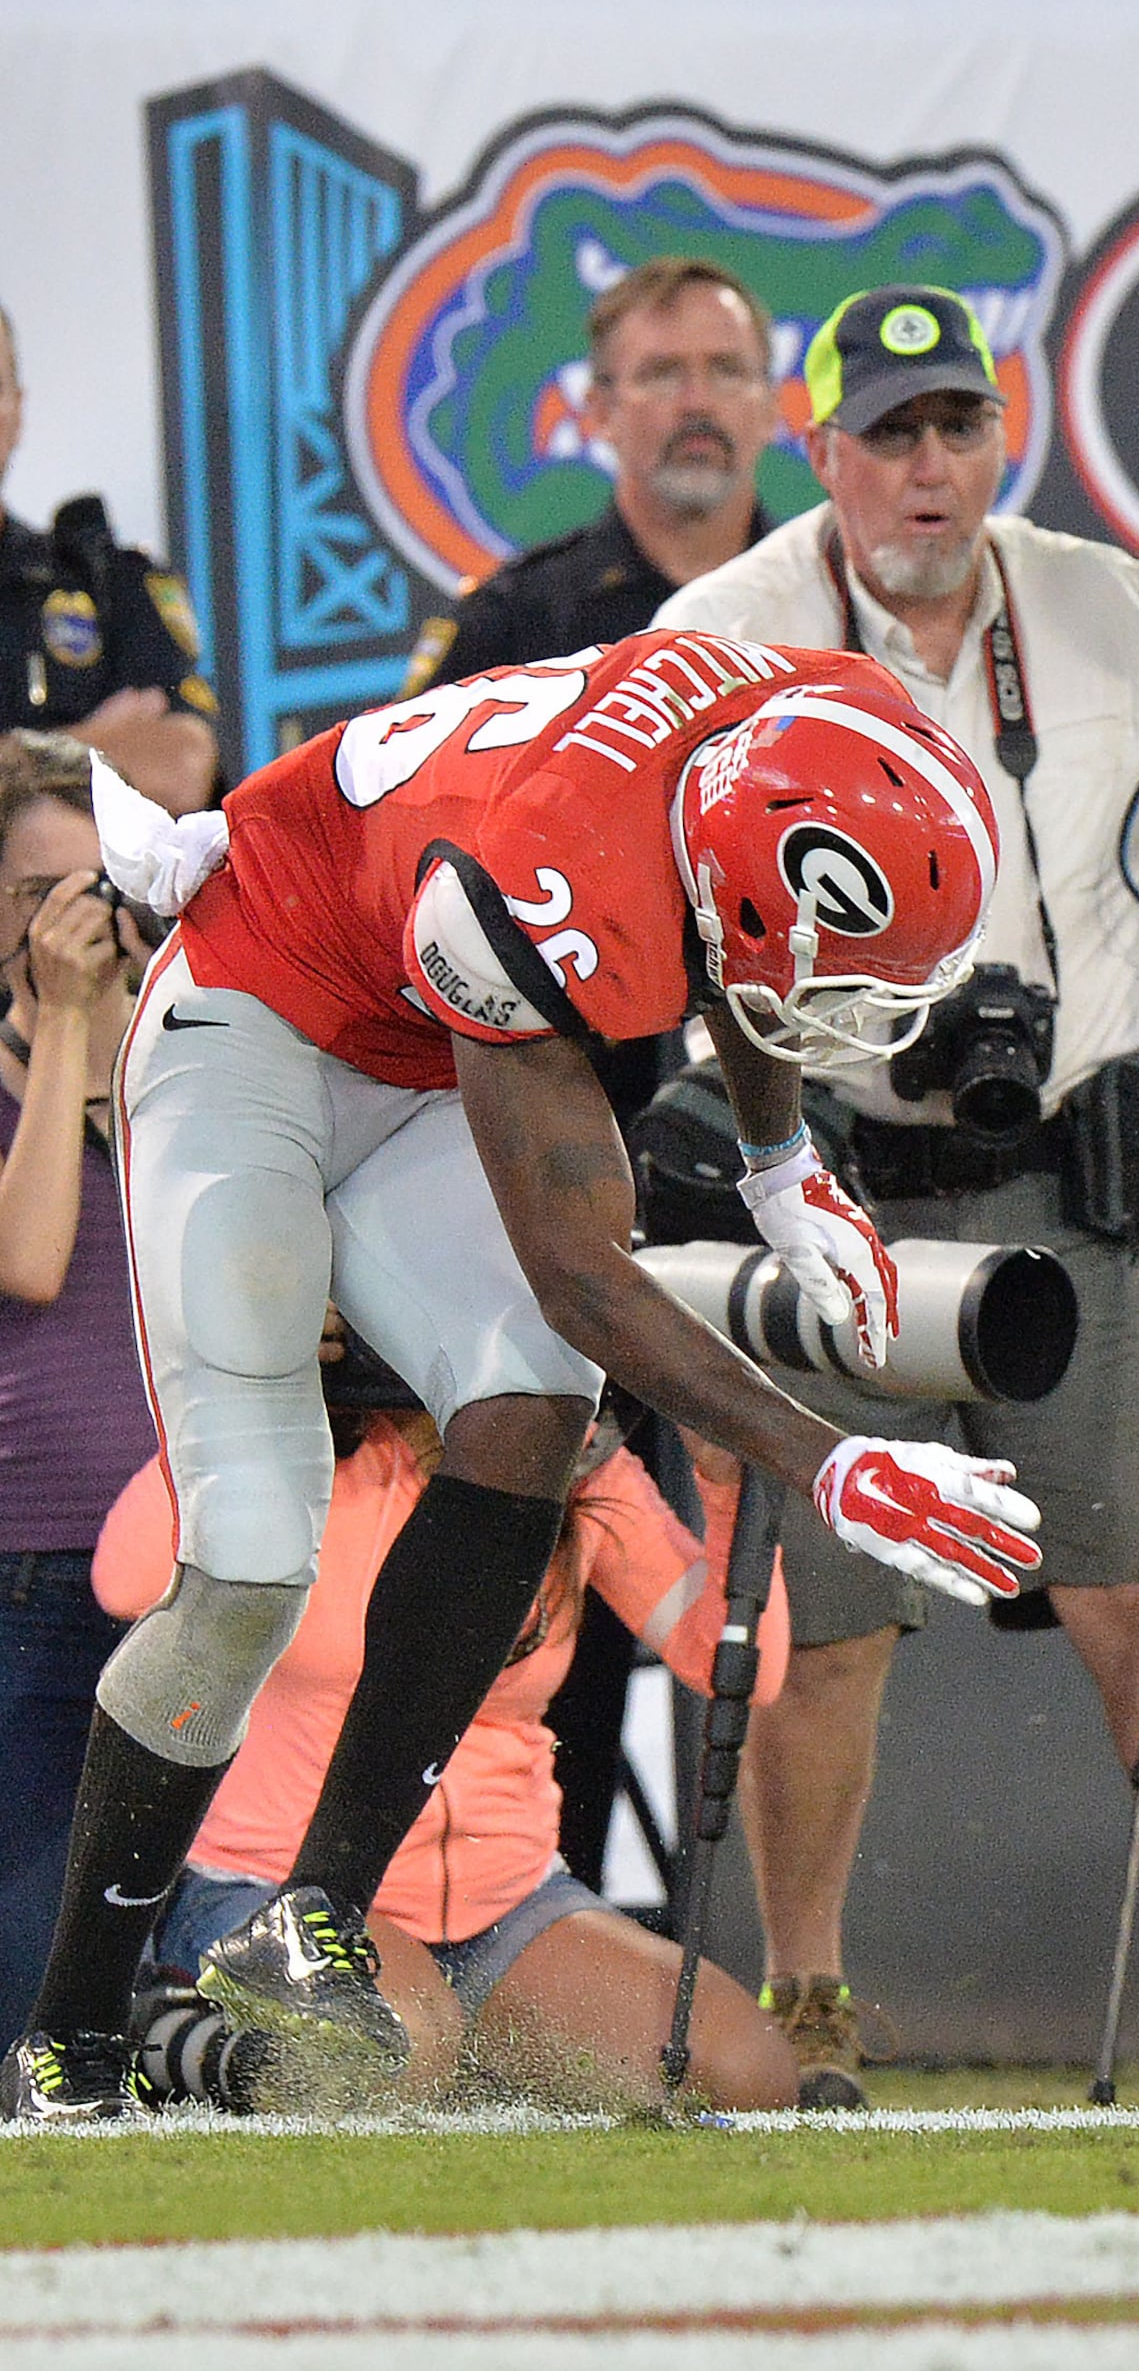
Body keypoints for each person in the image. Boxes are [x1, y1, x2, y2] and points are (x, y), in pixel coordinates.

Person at [2, 627, 1039, 2124]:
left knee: (535, 1414)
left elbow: (737, 943)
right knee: (245, 1559)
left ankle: (317, 1919)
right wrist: (834, 1461)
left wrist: (778, 1155)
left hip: (420, 1026)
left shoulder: (829, 715)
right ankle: (71, 2032)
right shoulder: (538, 876)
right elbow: (583, 1271)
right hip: (258, 1009)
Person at [657, 286, 1139, 2109]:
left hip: (1070, 1162)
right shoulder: (716, 635)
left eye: (957, 428)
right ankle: (808, 1996)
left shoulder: (1102, 601)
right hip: (825, 1178)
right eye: (888, 433)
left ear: (1003, 442)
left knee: (1136, 1587)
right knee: (825, 1620)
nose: (927, 467)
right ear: (817, 452)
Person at [403, 253, 784, 1902]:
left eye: (721, 365)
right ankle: (509, 1915)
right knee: (546, 1552)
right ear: (602, 407)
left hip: (777, 1159)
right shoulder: (523, 620)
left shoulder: (828, 604)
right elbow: (415, 876)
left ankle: (714, 1956)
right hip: (556, 1174)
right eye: (660, 369)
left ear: (771, 404)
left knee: (746, 1579)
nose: (694, 396)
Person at [101, 1393, 797, 2112]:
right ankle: (172, 2031)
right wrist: (271, 1382)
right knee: (397, 2055)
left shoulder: (578, 1461)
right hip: (272, 1888)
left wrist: (724, 1480)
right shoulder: (310, 1437)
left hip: (508, 1902)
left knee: (746, 2072)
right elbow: (122, 1576)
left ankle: (462, 2052)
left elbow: (737, 1663)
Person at [0, 734, 159, 2027]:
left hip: (199, 1574)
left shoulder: (197, 1058)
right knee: (26, 1969)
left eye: (96, 885)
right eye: (33, 893)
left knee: (174, 1948)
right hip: (31, 1574)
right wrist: (60, 1018)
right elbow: (31, 1257)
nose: (73, 920)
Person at [0, 304, 217, 812]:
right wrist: (93, 742)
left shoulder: (104, 579)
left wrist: (22, 761)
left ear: (18, 407)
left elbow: (182, 770)